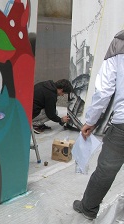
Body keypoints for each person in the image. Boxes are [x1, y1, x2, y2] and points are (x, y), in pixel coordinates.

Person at [73, 30, 124, 220]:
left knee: (106, 169)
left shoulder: (120, 42)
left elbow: (104, 90)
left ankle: (88, 207)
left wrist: (91, 121)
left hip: (122, 123)